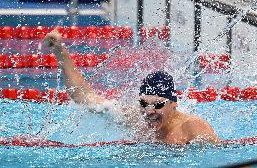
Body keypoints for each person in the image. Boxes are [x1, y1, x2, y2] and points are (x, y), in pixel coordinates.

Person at [43, 28, 219, 145]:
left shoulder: (193, 128)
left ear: (174, 103)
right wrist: (60, 52)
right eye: (143, 104)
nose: (149, 112)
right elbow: (84, 97)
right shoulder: (135, 119)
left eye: (157, 104)